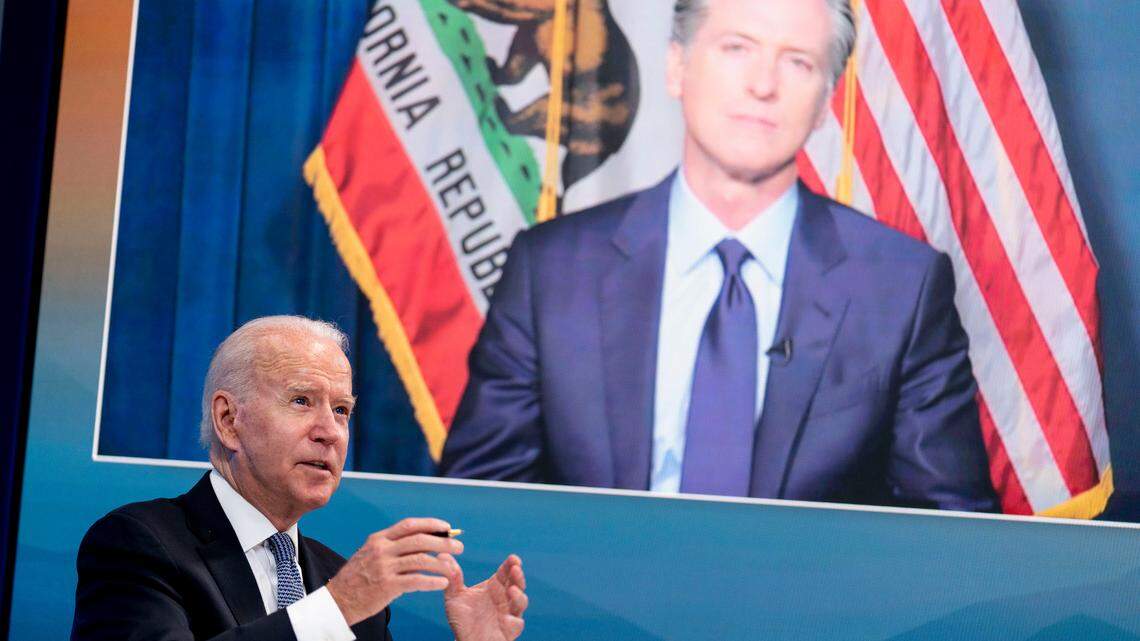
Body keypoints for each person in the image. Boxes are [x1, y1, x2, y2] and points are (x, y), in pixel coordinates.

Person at [439, 0, 998, 511]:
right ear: (677, 68)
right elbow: (476, 515)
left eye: (798, 63)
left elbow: (953, 545)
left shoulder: (903, 287)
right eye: (737, 49)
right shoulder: (553, 271)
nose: (762, 85)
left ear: (827, 101)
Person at [72, 316, 528, 640]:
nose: (330, 432)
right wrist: (336, 608)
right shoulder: (139, 544)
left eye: (342, 410)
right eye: (301, 401)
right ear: (229, 420)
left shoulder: (341, 579)